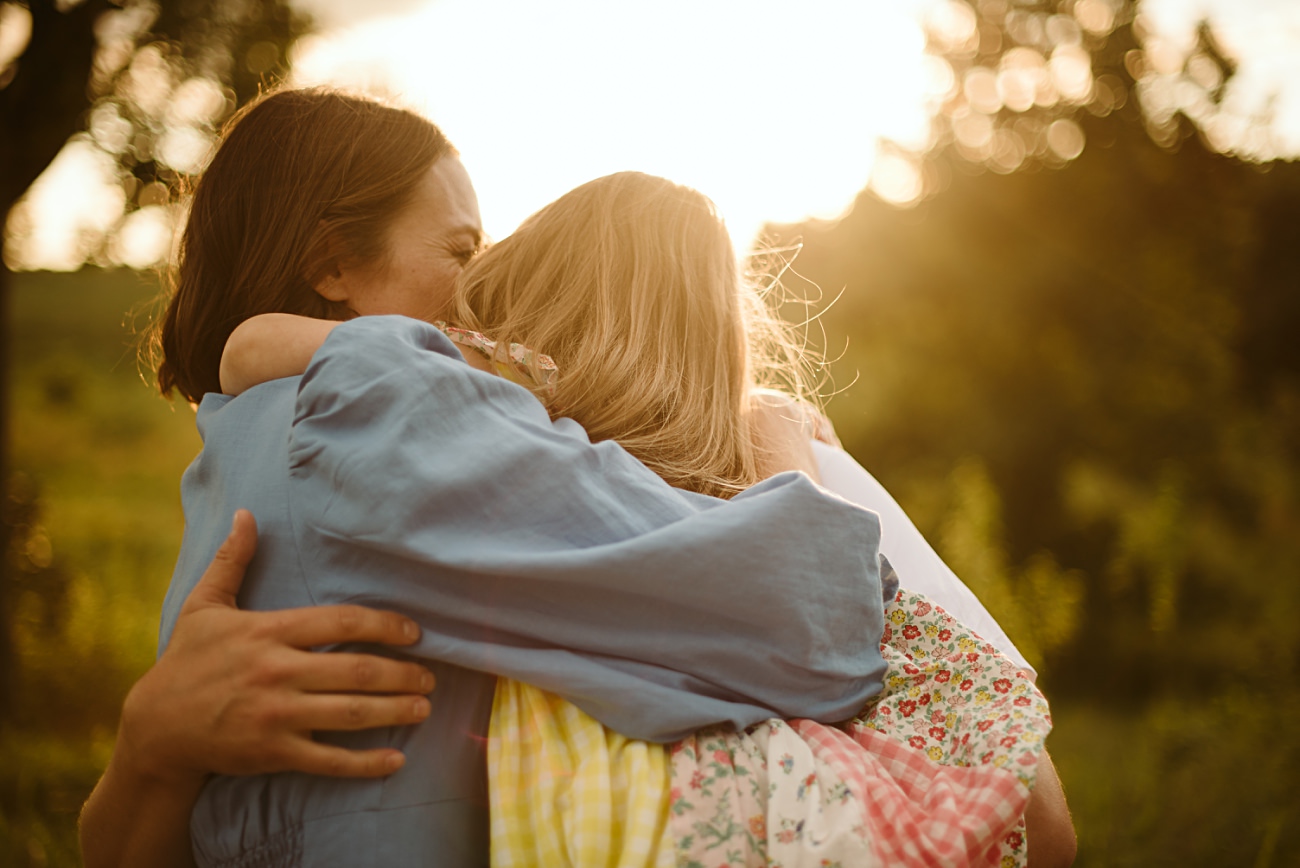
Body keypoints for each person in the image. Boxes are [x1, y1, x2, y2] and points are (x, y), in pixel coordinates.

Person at [82, 87, 893, 868]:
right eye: (462, 250)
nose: (479, 287)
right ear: (332, 264)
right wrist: (778, 438)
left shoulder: (234, 452)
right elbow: (806, 614)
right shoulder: (384, 409)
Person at [222, 172, 1075, 867]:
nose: (460, 330)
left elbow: (253, 353)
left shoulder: (525, 470)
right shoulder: (782, 469)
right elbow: (1042, 819)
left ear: (541, 305)